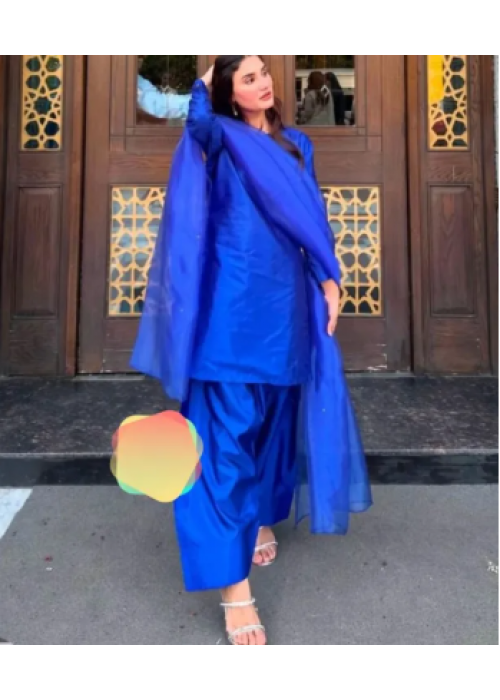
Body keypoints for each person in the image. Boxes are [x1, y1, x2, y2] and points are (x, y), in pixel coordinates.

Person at [131, 55, 372, 645]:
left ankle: (260, 515)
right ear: (227, 92)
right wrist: (207, 71)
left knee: (271, 427)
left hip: (285, 307)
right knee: (223, 445)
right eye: (248, 78)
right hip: (229, 312)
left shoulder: (296, 145)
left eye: (264, 72)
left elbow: (310, 220)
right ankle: (234, 590)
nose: (264, 83)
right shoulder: (218, 137)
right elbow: (196, 122)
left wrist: (330, 279)